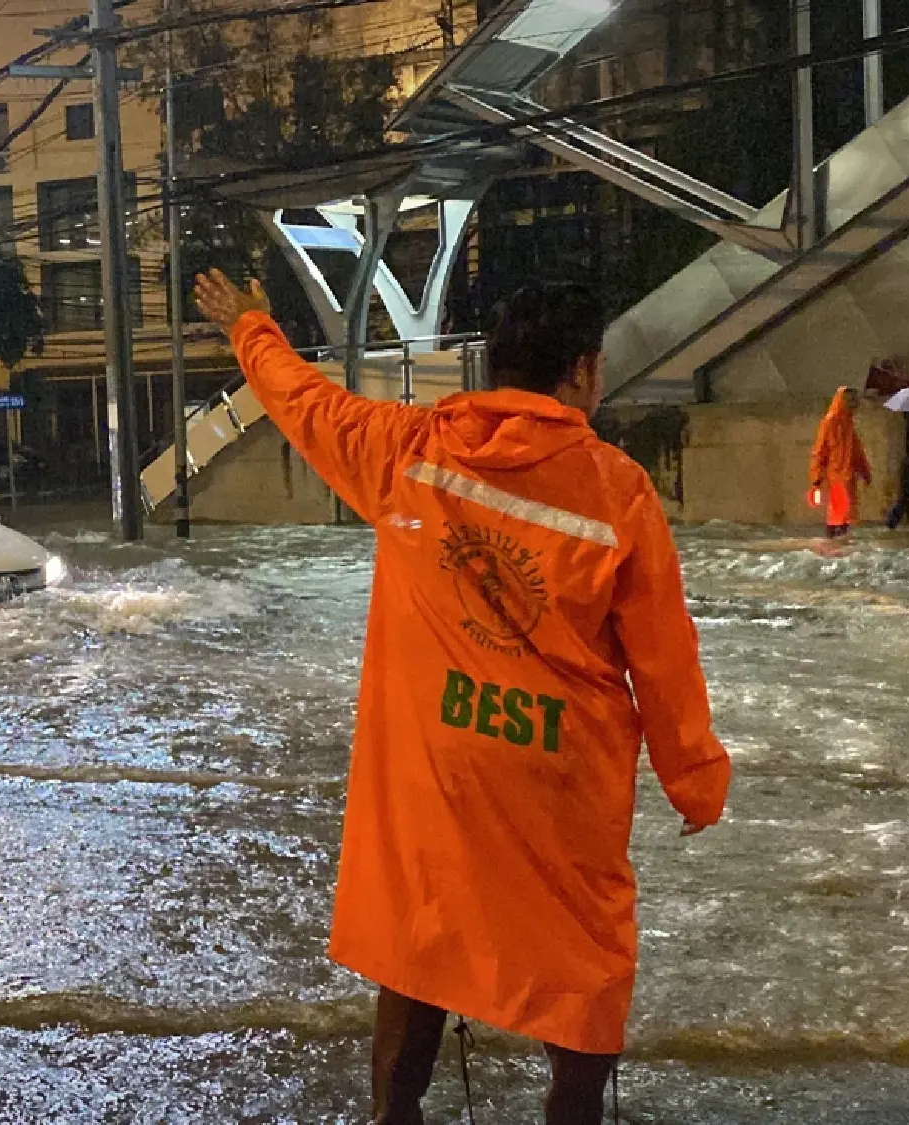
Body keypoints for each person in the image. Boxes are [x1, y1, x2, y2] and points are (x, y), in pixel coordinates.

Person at [192, 271, 730, 1125]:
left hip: (434, 778)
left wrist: (249, 324)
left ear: (491, 371)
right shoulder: (615, 491)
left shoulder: (407, 451)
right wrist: (695, 779)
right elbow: (665, 659)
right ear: (584, 372)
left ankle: (392, 1115)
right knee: (580, 971)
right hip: (558, 787)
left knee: (420, 945)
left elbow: (302, 399)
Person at [809, 387, 872, 538]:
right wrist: (816, 477)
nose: (853, 403)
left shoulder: (848, 424)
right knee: (839, 514)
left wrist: (865, 472)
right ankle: (834, 545)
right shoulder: (830, 422)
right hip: (836, 477)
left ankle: (838, 545)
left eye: (854, 400)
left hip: (848, 477)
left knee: (845, 516)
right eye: (849, 400)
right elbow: (820, 450)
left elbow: (857, 452)